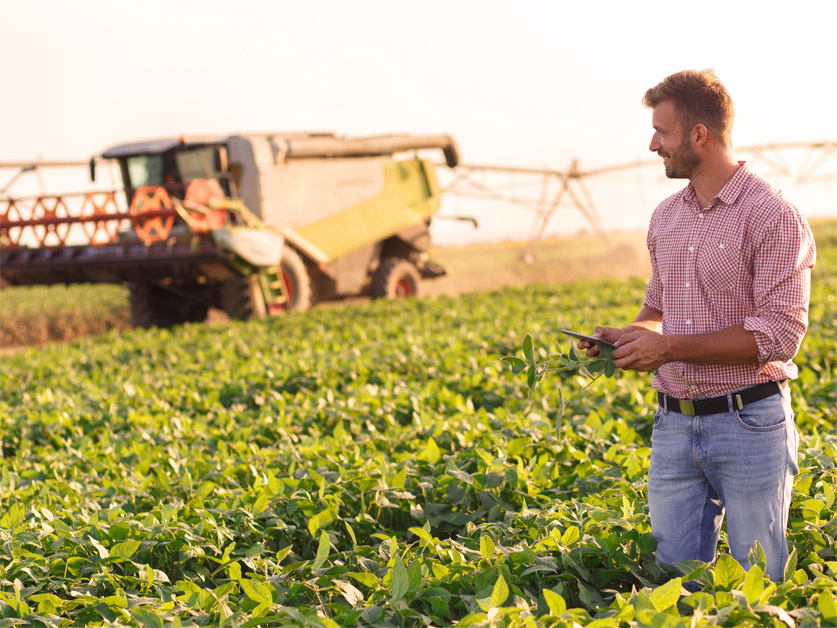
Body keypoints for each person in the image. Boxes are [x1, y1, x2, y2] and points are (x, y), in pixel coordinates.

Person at [578, 69, 816, 582]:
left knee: (755, 585)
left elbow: (778, 335)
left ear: (698, 135)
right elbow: (656, 307)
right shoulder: (666, 216)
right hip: (673, 426)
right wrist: (626, 338)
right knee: (673, 583)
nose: (652, 144)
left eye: (661, 132)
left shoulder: (772, 214)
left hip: (749, 423)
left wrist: (668, 350)